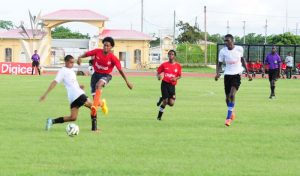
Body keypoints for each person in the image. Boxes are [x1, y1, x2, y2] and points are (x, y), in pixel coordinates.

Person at [77, 36, 133, 131]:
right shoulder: (97, 52)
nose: (105, 47)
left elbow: (120, 70)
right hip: (95, 76)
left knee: (98, 87)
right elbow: (87, 54)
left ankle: (95, 106)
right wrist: (79, 57)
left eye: (108, 46)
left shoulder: (113, 58)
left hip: (106, 76)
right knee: (96, 101)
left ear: (111, 47)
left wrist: (127, 82)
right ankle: (95, 124)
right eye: (104, 45)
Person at [40, 55, 94, 131]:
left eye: (73, 62)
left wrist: (79, 86)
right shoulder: (63, 71)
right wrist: (45, 94)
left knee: (73, 117)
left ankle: (52, 121)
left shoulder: (71, 70)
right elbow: (54, 82)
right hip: (77, 95)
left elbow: (71, 83)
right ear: (66, 62)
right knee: (93, 106)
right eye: (71, 62)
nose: (72, 64)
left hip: (75, 95)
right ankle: (94, 128)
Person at [215, 34, 252, 127]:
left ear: (232, 40)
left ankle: (228, 119)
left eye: (227, 40)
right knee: (227, 99)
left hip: (237, 75)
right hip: (227, 75)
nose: (226, 42)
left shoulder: (239, 49)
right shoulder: (223, 51)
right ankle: (232, 110)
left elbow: (243, 60)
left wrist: (248, 73)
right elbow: (219, 63)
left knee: (232, 95)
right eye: (225, 41)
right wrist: (217, 73)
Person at [156, 50, 182, 121]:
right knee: (165, 101)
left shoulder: (178, 66)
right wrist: (158, 76)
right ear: (168, 55)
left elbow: (180, 76)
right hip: (164, 84)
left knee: (171, 103)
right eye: (169, 54)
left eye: (172, 54)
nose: (170, 56)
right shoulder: (164, 65)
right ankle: (159, 117)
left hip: (172, 86)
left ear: (174, 56)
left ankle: (161, 98)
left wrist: (176, 78)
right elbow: (158, 72)